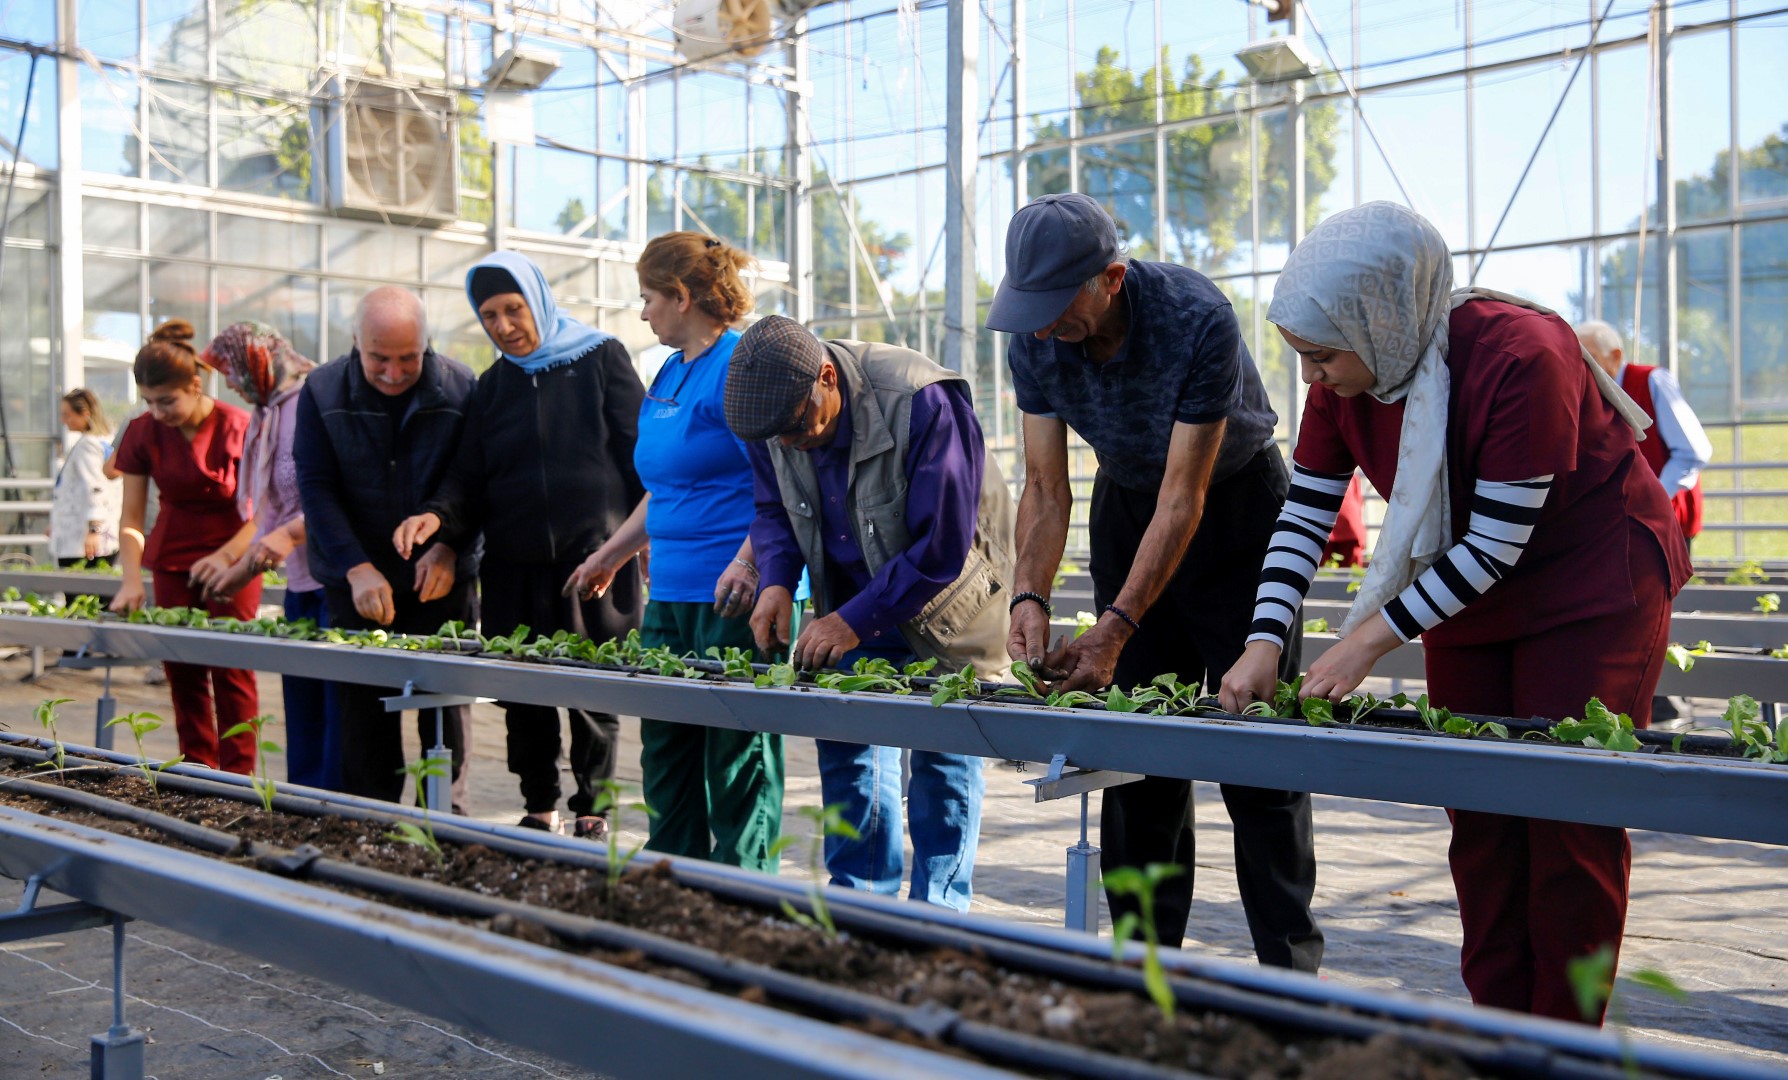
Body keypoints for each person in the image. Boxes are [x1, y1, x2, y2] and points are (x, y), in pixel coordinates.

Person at [1219, 202, 1690, 1024]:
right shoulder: (1352, 366)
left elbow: (1497, 546)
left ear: (1381, 320)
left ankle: (1565, 1040)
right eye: (1300, 356)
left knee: (1567, 817)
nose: (1309, 377)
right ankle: (1499, 1027)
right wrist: (1264, 639)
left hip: (1591, 583)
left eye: (1319, 356)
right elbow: (1303, 514)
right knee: (1477, 809)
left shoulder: (1522, 355)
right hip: (1466, 589)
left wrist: (1363, 642)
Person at [987, 192, 1321, 971]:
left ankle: (1294, 980)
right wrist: (1028, 595)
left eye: (1054, 305)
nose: (1040, 325)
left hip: (1234, 511)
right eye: (1027, 306)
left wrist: (1114, 627)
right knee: (1134, 752)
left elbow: (1186, 497)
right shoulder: (1034, 338)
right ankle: (1145, 968)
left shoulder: (1195, 316)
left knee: (1259, 753)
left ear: (1111, 277)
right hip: (1127, 500)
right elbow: (1044, 486)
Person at [723, 315, 1013, 912]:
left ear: (827, 377)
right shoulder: (767, 412)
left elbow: (942, 545)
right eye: (775, 437)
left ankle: (938, 917)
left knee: (944, 754)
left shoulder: (921, 399)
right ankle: (861, 907)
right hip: (850, 597)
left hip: (949, 599)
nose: (788, 444)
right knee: (851, 745)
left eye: (797, 428)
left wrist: (851, 620)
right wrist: (776, 579)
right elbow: (773, 508)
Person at [393, 253, 645, 839]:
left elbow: (641, 455)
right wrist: (436, 518)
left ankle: (594, 807)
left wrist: (642, 541)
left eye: (513, 309)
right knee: (523, 692)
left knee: (592, 692)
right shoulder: (492, 386)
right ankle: (539, 802)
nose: (504, 325)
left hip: (594, 561)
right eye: (490, 316)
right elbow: (468, 479)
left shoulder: (600, 359)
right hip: (513, 568)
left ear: (538, 300)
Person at [566, 233, 783, 870]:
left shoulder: (742, 364)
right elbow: (663, 489)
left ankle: (747, 892)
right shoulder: (670, 369)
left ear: (681, 297)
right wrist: (611, 552)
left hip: (736, 595)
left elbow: (780, 484)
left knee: (735, 752)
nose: (642, 313)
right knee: (665, 744)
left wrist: (749, 562)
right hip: (672, 595)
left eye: (648, 299)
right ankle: (675, 878)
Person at [294, 287, 478, 812]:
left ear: (427, 344)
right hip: (356, 578)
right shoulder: (323, 389)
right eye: (380, 358)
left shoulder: (462, 388)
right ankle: (372, 821)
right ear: (356, 342)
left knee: (443, 705)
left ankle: (445, 819)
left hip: (441, 577)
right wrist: (355, 567)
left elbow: (473, 479)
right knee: (364, 712)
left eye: (407, 358)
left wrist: (447, 546)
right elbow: (316, 487)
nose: (394, 373)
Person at [108, 320, 262, 773]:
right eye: (149, 402)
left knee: (233, 669)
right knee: (183, 668)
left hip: (234, 558)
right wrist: (131, 579)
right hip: (173, 558)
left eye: (167, 401)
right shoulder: (141, 431)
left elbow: (262, 514)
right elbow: (132, 516)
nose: (158, 412)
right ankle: (197, 768)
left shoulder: (240, 426)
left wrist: (230, 557)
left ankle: (239, 776)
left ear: (196, 385)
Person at [197, 322, 343, 792]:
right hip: (300, 585)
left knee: (335, 713)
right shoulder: (266, 414)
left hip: (333, 578)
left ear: (259, 361)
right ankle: (305, 804)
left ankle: (341, 810)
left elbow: (326, 496)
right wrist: (233, 563)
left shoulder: (311, 404)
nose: (233, 385)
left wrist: (252, 561)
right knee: (302, 708)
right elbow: (268, 510)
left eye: (235, 372)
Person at [1576, 320, 1712, 551]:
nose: (1584, 370)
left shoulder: (1651, 381)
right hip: (1619, 527)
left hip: (1663, 520)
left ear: (1616, 356)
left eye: (1592, 360)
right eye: (1578, 363)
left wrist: (1654, 498)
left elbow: (1692, 451)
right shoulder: (1585, 396)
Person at [49, 389, 121, 569]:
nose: (63, 420)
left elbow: (94, 487)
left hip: (81, 541)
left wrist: (94, 530)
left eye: (67, 415)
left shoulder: (87, 445)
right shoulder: (107, 441)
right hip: (108, 535)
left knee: (79, 593)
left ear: (85, 414)